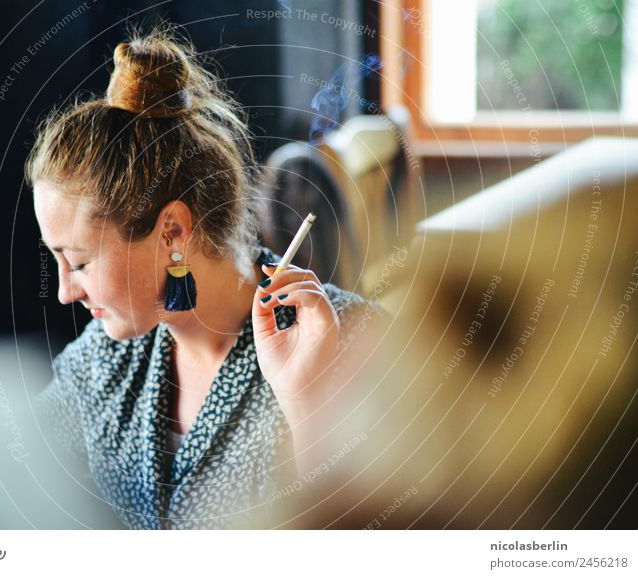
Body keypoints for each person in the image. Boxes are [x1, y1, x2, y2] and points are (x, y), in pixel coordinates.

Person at [27, 26, 390, 529]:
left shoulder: (358, 340)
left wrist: (308, 408)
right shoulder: (101, 363)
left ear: (172, 230)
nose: (66, 291)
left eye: (81, 262)